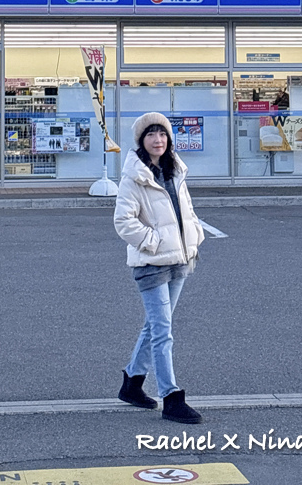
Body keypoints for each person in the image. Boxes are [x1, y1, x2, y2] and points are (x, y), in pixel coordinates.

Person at [114, 112, 205, 425]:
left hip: (179, 259)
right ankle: (171, 396)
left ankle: (132, 384)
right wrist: (152, 242)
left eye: (162, 134)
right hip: (152, 263)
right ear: (142, 141)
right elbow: (123, 221)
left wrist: (194, 237)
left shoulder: (175, 169)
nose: (158, 140)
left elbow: (187, 211)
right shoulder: (134, 176)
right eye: (151, 135)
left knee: (155, 326)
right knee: (163, 331)